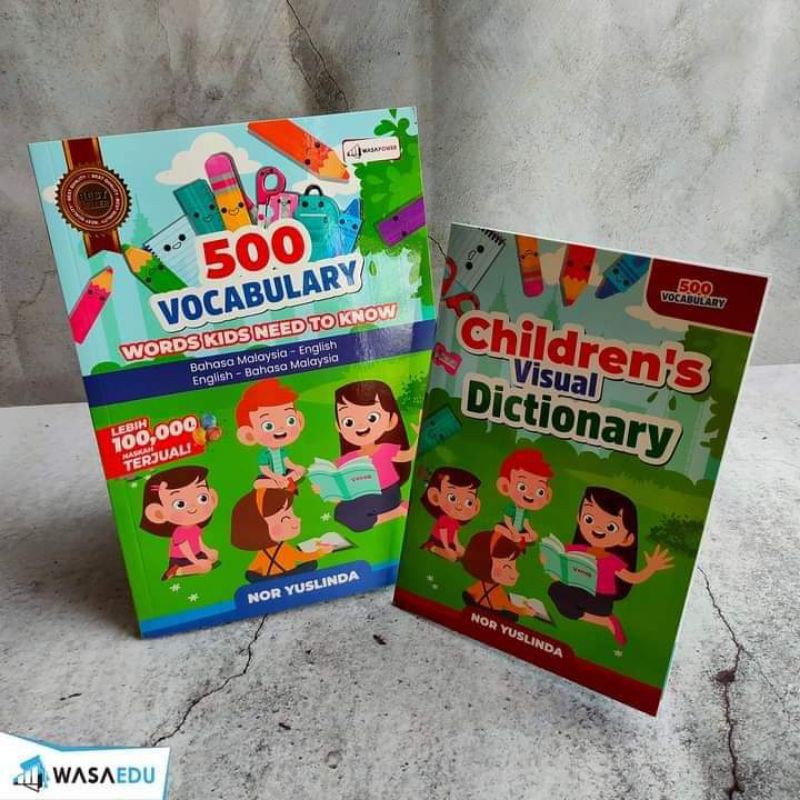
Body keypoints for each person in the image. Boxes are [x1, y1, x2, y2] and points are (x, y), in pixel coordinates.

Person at [546, 486, 673, 644]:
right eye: (589, 519)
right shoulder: (576, 550)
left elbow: (633, 578)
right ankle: (604, 621)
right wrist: (548, 560)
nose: (598, 528)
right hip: (579, 591)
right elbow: (559, 567)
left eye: (611, 527)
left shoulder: (612, 561)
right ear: (579, 517)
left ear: (627, 538)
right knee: (555, 589)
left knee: (563, 598)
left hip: (600, 600)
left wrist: (651, 568)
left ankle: (606, 621)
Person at [230, 486, 334, 583]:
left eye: (292, 515)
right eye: (285, 519)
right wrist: (320, 552)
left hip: (270, 579)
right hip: (287, 576)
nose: (298, 520)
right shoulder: (282, 548)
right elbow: (301, 557)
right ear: (261, 528)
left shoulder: (263, 552)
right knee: (312, 564)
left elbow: (251, 572)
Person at [140, 465, 219, 581]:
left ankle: (196, 564)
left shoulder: (195, 527)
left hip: (196, 554)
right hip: (181, 560)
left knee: (214, 555)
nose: (193, 508)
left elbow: (199, 542)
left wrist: (207, 551)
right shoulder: (180, 532)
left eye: (202, 498)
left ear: (212, 498)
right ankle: (177, 571)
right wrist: (197, 561)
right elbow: (186, 550)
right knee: (205, 567)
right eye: (180, 504)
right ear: (158, 513)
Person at [419, 466, 481, 561]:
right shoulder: (444, 519)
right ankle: (432, 547)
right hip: (438, 540)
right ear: (435, 496)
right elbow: (443, 536)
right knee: (452, 557)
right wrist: (447, 548)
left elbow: (454, 536)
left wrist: (458, 545)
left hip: (449, 542)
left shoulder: (456, 522)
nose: (459, 506)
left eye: (469, 502)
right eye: (452, 498)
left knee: (463, 553)